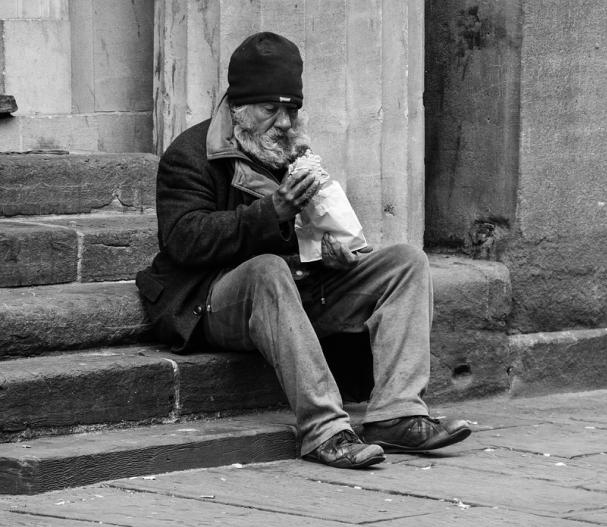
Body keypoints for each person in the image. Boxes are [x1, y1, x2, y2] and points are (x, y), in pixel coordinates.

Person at [136, 32, 471, 469]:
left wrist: (325, 250)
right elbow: (184, 240)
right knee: (268, 270)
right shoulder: (190, 154)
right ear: (238, 107)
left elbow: (306, 233)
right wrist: (271, 211)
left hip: (296, 289)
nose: (283, 121)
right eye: (269, 109)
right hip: (210, 300)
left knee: (406, 262)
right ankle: (325, 430)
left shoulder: (290, 151)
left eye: (290, 109)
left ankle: (397, 414)